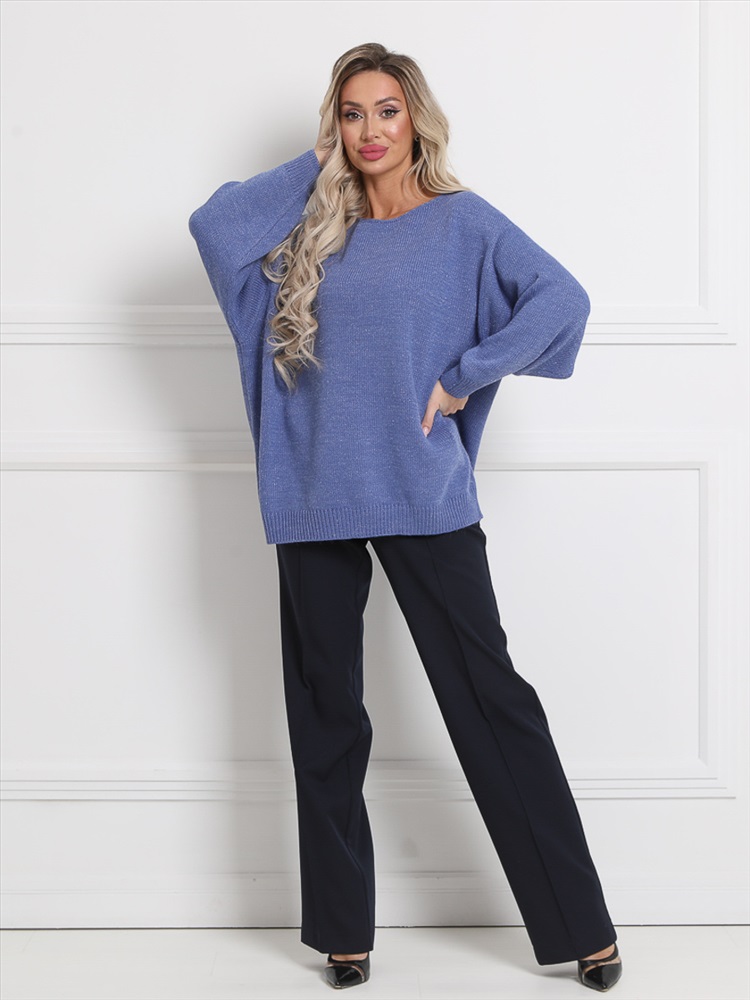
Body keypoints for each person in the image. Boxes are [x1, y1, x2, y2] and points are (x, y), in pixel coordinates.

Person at [189, 41, 623, 994]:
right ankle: (344, 932)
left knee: (491, 700)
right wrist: (317, 163)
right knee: (327, 714)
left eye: (386, 111)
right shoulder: (307, 228)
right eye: (351, 114)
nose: (370, 131)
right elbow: (211, 225)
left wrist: (466, 375)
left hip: (423, 491)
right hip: (313, 494)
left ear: (416, 118)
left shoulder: (463, 225)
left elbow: (563, 300)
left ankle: (581, 926)